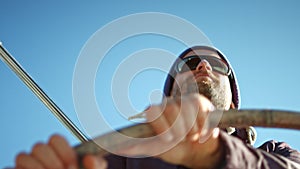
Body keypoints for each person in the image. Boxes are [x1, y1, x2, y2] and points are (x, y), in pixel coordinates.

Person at [14, 46, 300, 169]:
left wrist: (216, 155)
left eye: (216, 65)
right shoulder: (124, 158)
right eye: (188, 64)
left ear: (235, 104)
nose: (202, 65)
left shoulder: (276, 154)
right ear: (168, 98)